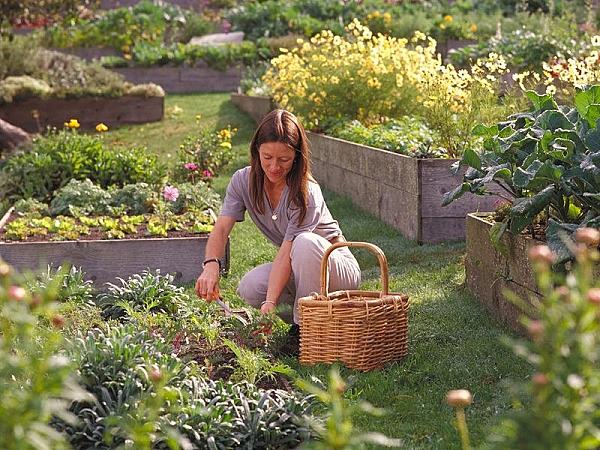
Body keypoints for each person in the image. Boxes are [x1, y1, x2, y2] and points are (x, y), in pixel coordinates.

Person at [194, 109, 361, 328]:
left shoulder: (306, 192)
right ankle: (317, 315)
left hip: (336, 270)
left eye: (284, 159)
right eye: (267, 157)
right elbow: (222, 229)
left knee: (304, 243)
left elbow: (287, 251)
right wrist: (211, 265)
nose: (274, 167)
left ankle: (303, 329)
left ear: (297, 157)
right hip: (297, 266)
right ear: (256, 151)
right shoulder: (242, 181)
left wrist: (271, 302)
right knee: (251, 287)